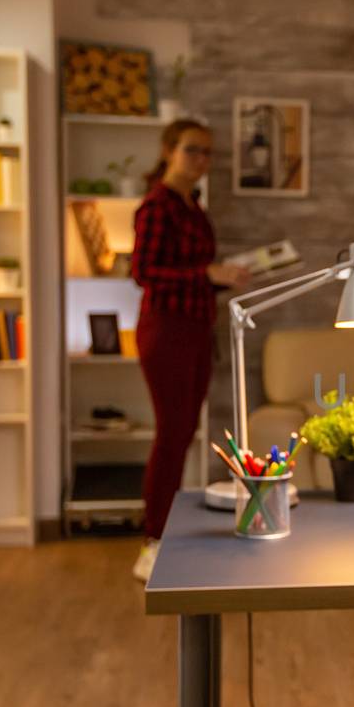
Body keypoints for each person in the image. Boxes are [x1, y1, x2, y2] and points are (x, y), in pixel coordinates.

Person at [129, 119, 251, 581]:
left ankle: (163, 535)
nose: (201, 160)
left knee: (181, 436)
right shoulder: (157, 207)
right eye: (192, 150)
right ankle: (154, 538)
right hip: (167, 333)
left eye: (207, 153)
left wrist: (223, 279)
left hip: (197, 329)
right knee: (171, 436)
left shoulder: (192, 206)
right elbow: (144, 272)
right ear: (168, 151)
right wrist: (208, 275)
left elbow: (194, 273)